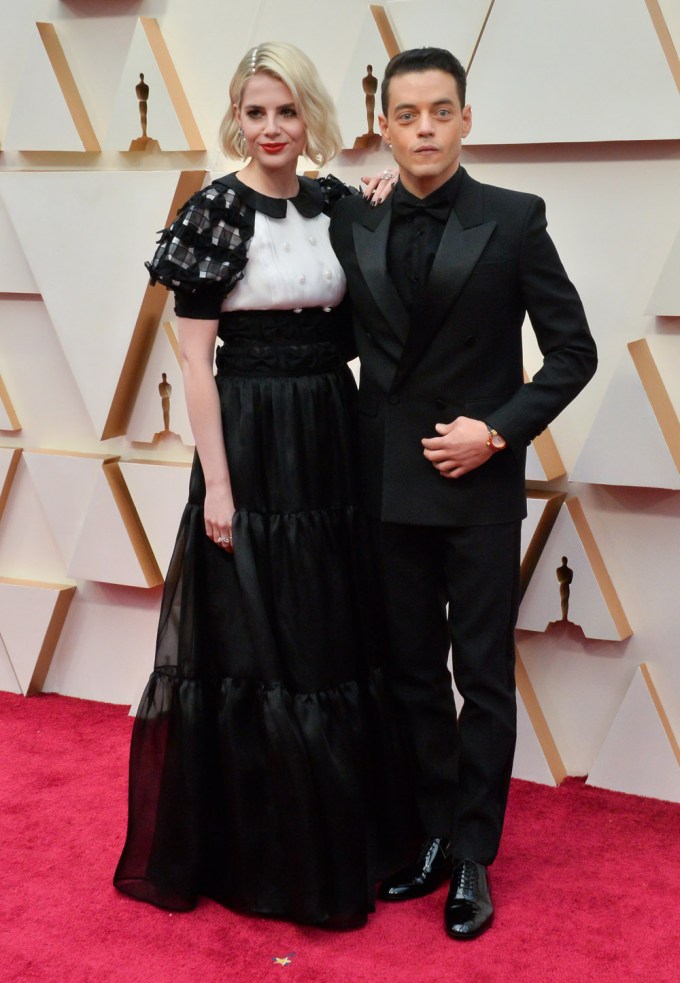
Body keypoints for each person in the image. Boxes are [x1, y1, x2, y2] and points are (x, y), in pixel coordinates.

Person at [114, 42, 409, 930]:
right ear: (235, 119)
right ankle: (266, 847)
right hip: (247, 431)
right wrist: (218, 487)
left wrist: (385, 206)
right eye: (255, 113)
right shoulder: (211, 211)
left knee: (330, 633)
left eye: (286, 111)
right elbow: (195, 367)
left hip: (329, 427)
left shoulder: (335, 203)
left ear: (310, 114)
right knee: (259, 639)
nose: (272, 129)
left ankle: (346, 833)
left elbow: (373, 314)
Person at [329, 47, 597, 939]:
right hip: (385, 484)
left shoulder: (515, 219)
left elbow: (572, 351)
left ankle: (476, 851)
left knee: (481, 675)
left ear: (466, 119)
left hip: (479, 485)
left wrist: (497, 429)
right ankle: (437, 833)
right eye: (407, 116)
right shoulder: (353, 220)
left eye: (441, 112)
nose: (425, 130)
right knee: (410, 674)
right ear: (387, 127)